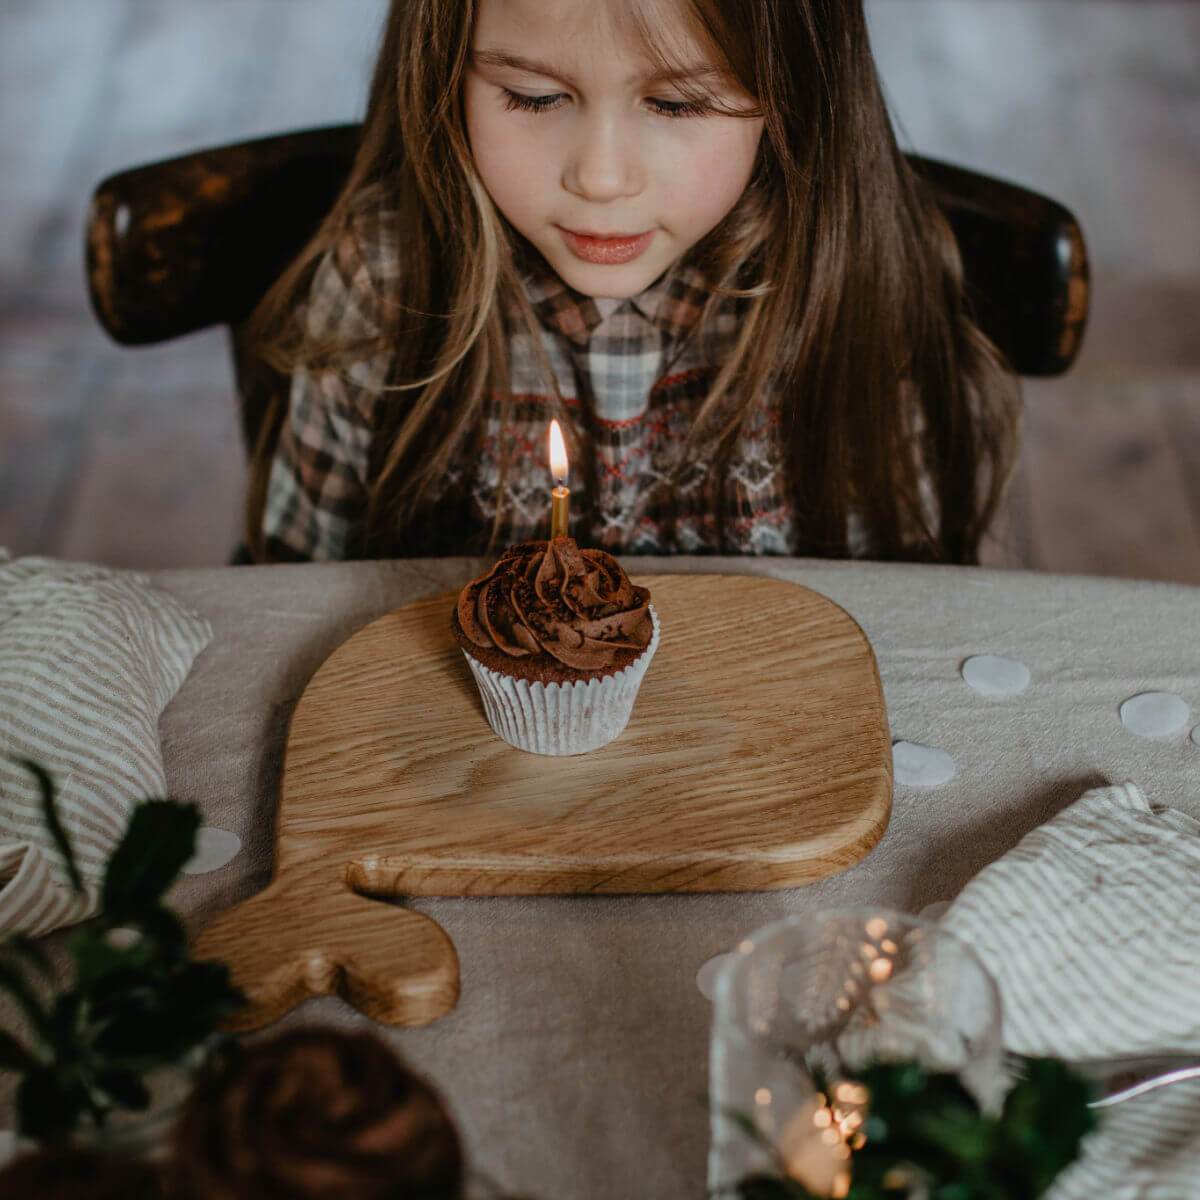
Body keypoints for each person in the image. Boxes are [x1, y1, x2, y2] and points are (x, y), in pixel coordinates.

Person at [243, 0, 1020, 567]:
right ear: (444, 69)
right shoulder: (386, 281)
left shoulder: (854, 278)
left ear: (797, 92)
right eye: (534, 96)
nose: (601, 177)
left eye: (677, 102)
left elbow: (917, 626)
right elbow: (290, 601)